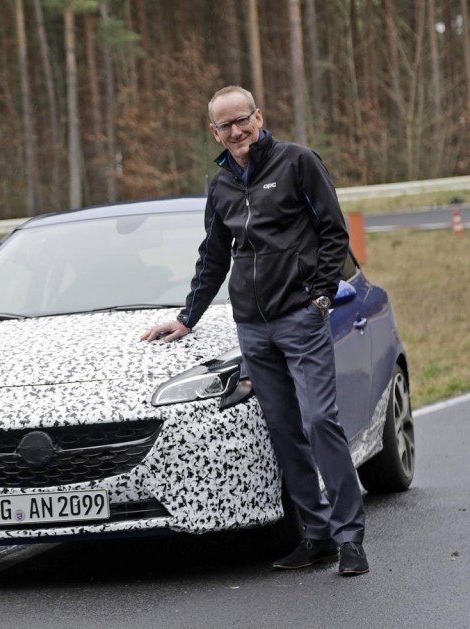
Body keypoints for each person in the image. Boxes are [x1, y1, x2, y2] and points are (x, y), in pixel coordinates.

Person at [141, 86, 368, 576]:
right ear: (214, 132)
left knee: (318, 421)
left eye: (242, 120)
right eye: (225, 125)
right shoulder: (220, 183)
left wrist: (321, 296)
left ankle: (351, 538)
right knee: (284, 431)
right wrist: (188, 316)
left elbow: (333, 232)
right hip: (252, 327)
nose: (236, 130)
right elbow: (214, 255)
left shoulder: (298, 162)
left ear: (258, 117)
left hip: (300, 318)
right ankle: (318, 536)